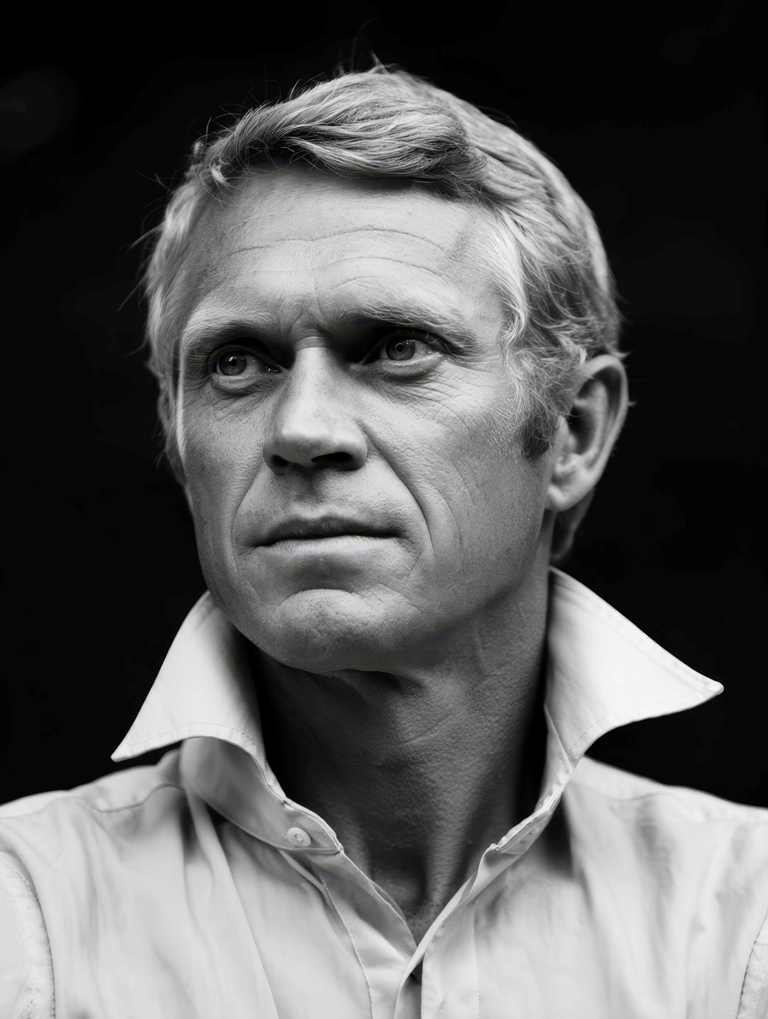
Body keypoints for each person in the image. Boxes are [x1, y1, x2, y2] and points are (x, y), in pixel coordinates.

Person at [0, 64, 766, 1019]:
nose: (302, 428)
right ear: (178, 436)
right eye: (237, 363)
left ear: (572, 431)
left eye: (397, 347)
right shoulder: (25, 920)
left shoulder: (741, 925)